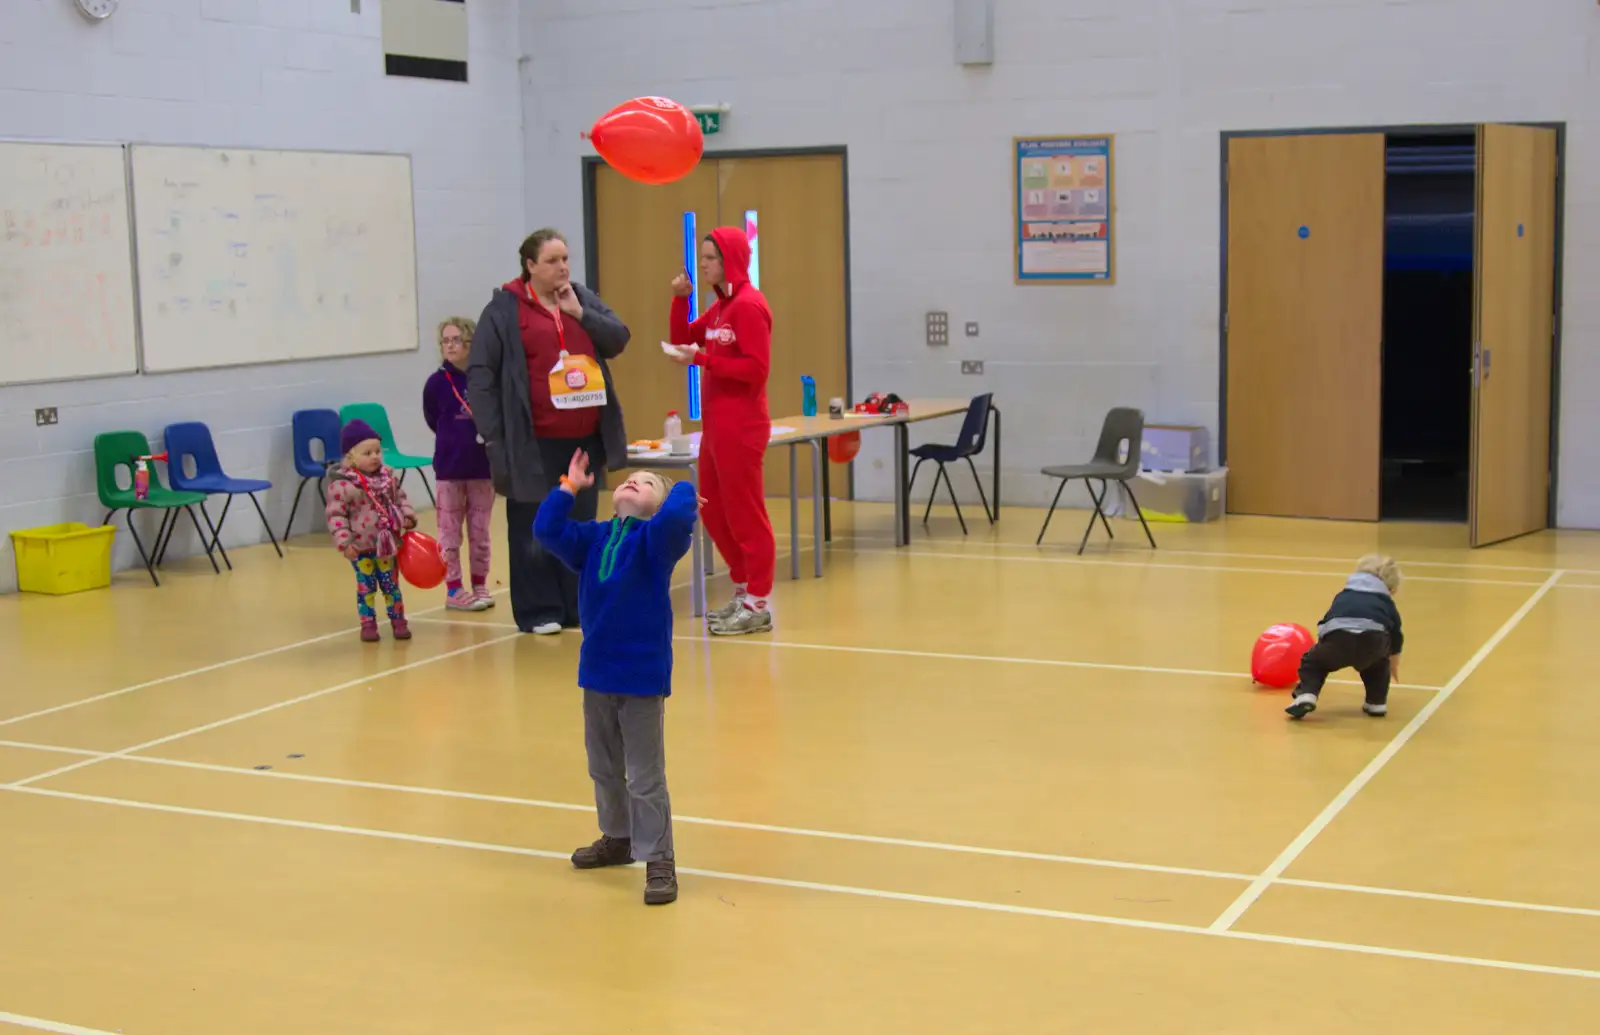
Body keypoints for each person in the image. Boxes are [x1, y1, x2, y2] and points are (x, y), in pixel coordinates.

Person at [534, 450, 698, 906]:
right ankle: (619, 837)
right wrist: (569, 488)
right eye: (630, 479)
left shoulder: (655, 544)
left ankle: (659, 856)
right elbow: (547, 529)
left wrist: (682, 485)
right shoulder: (592, 539)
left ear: (658, 507)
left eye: (647, 484)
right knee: (604, 767)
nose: (634, 483)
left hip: (642, 679)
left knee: (645, 776)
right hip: (597, 675)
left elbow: (681, 516)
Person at [467, 228, 631, 635]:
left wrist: (580, 313)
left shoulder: (579, 296)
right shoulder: (504, 310)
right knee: (533, 523)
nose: (563, 267)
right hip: (532, 439)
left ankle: (576, 603)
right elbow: (481, 373)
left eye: (565, 259)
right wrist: (491, 433)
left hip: (584, 435)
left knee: (579, 522)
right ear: (530, 266)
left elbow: (618, 338)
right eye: (553, 261)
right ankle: (539, 608)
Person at [665, 226, 775, 636]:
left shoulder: (748, 306)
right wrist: (680, 300)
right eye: (703, 258)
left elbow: (756, 370)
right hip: (716, 427)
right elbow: (682, 341)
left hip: (742, 426)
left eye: (710, 258)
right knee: (712, 509)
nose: (704, 264)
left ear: (729, 259)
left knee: (747, 514)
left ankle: (759, 603)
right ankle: (744, 589)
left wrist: (704, 361)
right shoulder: (721, 307)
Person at [422, 316, 494, 612]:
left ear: (470, 343)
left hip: (482, 467)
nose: (450, 346)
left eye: (456, 340)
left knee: (481, 533)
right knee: (449, 534)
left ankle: (479, 583)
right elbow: (431, 418)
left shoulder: (485, 378)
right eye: (446, 341)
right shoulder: (437, 383)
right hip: (450, 469)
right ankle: (454, 588)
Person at [325, 419, 418, 643]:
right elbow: (336, 516)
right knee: (366, 588)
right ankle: (368, 625)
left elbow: (400, 499)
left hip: (386, 546)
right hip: (361, 547)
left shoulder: (388, 479)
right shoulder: (343, 485)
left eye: (377, 451)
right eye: (367, 453)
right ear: (351, 457)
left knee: (391, 585)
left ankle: (398, 621)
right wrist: (345, 543)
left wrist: (407, 517)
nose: (375, 456)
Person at [1287, 555, 1404, 720]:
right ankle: (1376, 702)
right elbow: (1396, 635)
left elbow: (1326, 621)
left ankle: (1307, 694)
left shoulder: (1343, 595)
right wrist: (1394, 663)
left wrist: (1324, 645)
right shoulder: (1386, 603)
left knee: (1313, 663)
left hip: (1337, 639)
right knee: (1378, 665)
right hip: (1373, 642)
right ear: (1391, 589)